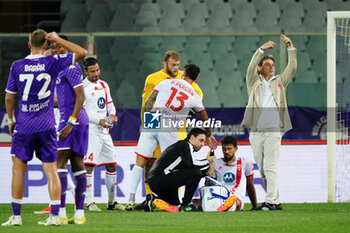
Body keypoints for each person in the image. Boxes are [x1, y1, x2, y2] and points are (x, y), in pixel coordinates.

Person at [2, 29, 87, 226]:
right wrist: (58, 39)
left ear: (29, 44)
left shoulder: (17, 65)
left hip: (23, 126)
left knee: (17, 170)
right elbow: (82, 52)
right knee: (51, 170)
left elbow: (8, 97)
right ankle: (55, 216)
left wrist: (12, 119)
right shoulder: (51, 62)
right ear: (47, 45)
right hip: (47, 125)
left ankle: (16, 217)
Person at [126, 64, 217, 210]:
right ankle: (171, 200)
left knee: (140, 163)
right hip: (169, 126)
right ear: (196, 79)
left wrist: (147, 121)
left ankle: (130, 201)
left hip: (153, 119)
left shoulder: (166, 82)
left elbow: (149, 101)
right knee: (176, 165)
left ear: (183, 74)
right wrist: (209, 134)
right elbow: (204, 117)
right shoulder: (194, 96)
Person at [136, 51, 204, 210]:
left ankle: (171, 199)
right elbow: (146, 102)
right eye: (173, 64)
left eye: (178, 65)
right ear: (165, 64)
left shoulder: (184, 78)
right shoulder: (152, 79)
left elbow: (198, 95)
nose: (176, 68)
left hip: (176, 130)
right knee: (151, 162)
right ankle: (150, 196)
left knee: (175, 166)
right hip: (155, 124)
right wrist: (146, 123)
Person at [241, 34, 297, 211]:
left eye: (273, 65)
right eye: (267, 65)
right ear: (260, 68)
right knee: (264, 170)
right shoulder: (253, 82)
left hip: (274, 129)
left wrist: (290, 48)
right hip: (256, 131)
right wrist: (261, 49)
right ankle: (276, 201)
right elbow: (250, 67)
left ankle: (271, 201)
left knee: (270, 167)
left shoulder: (280, 81)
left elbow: (292, 67)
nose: (271, 67)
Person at [50, 35, 89, 224]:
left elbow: (81, 96)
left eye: (60, 47)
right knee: (76, 164)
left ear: (65, 47)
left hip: (71, 120)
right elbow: (65, 98)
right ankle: (79, 215)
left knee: (60, 164)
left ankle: (61, 213)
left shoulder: (70, 67)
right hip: (76, 119)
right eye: (53, 47)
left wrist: (71, 122)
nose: (57, 50)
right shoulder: (59, 68)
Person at [82, 57, 124, 211]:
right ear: (85, 71)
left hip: (104, 131)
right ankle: (89, 201)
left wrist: (112, 115)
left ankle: (112, 202)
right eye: (93, 71)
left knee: (112, 164)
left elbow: (110, 105)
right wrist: (98, 120)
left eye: (98, 70)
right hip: (91, 130)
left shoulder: (104, 85)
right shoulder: (83, 87)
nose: (96, 73)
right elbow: (82, 112)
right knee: (89, 165)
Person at [148, 128, 216, 212]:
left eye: (203, 142)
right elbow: (192, 165)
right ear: (192, 138)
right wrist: (208, 161)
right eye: (201, 140)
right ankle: (186, 204)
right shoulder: (185, 145)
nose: (202, 144)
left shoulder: (183, 148)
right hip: (159, 180)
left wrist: (205, 173)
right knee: (196, 172)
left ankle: (151, 200)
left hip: (159, 182)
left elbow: (187, 173)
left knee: (176, 207)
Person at [205, 136, 258, 211]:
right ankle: (222, 207)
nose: (226, 152)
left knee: (234, 201)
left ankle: (225, 206)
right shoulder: (216, 163)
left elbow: (250, 184)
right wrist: (210, 165)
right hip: (220, 196)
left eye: (229, 149)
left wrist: (255, 206)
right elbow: (211, 184)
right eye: (224, 149)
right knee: (196, 201)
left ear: (236, 149)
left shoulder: (244, 162)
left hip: (236, 198)